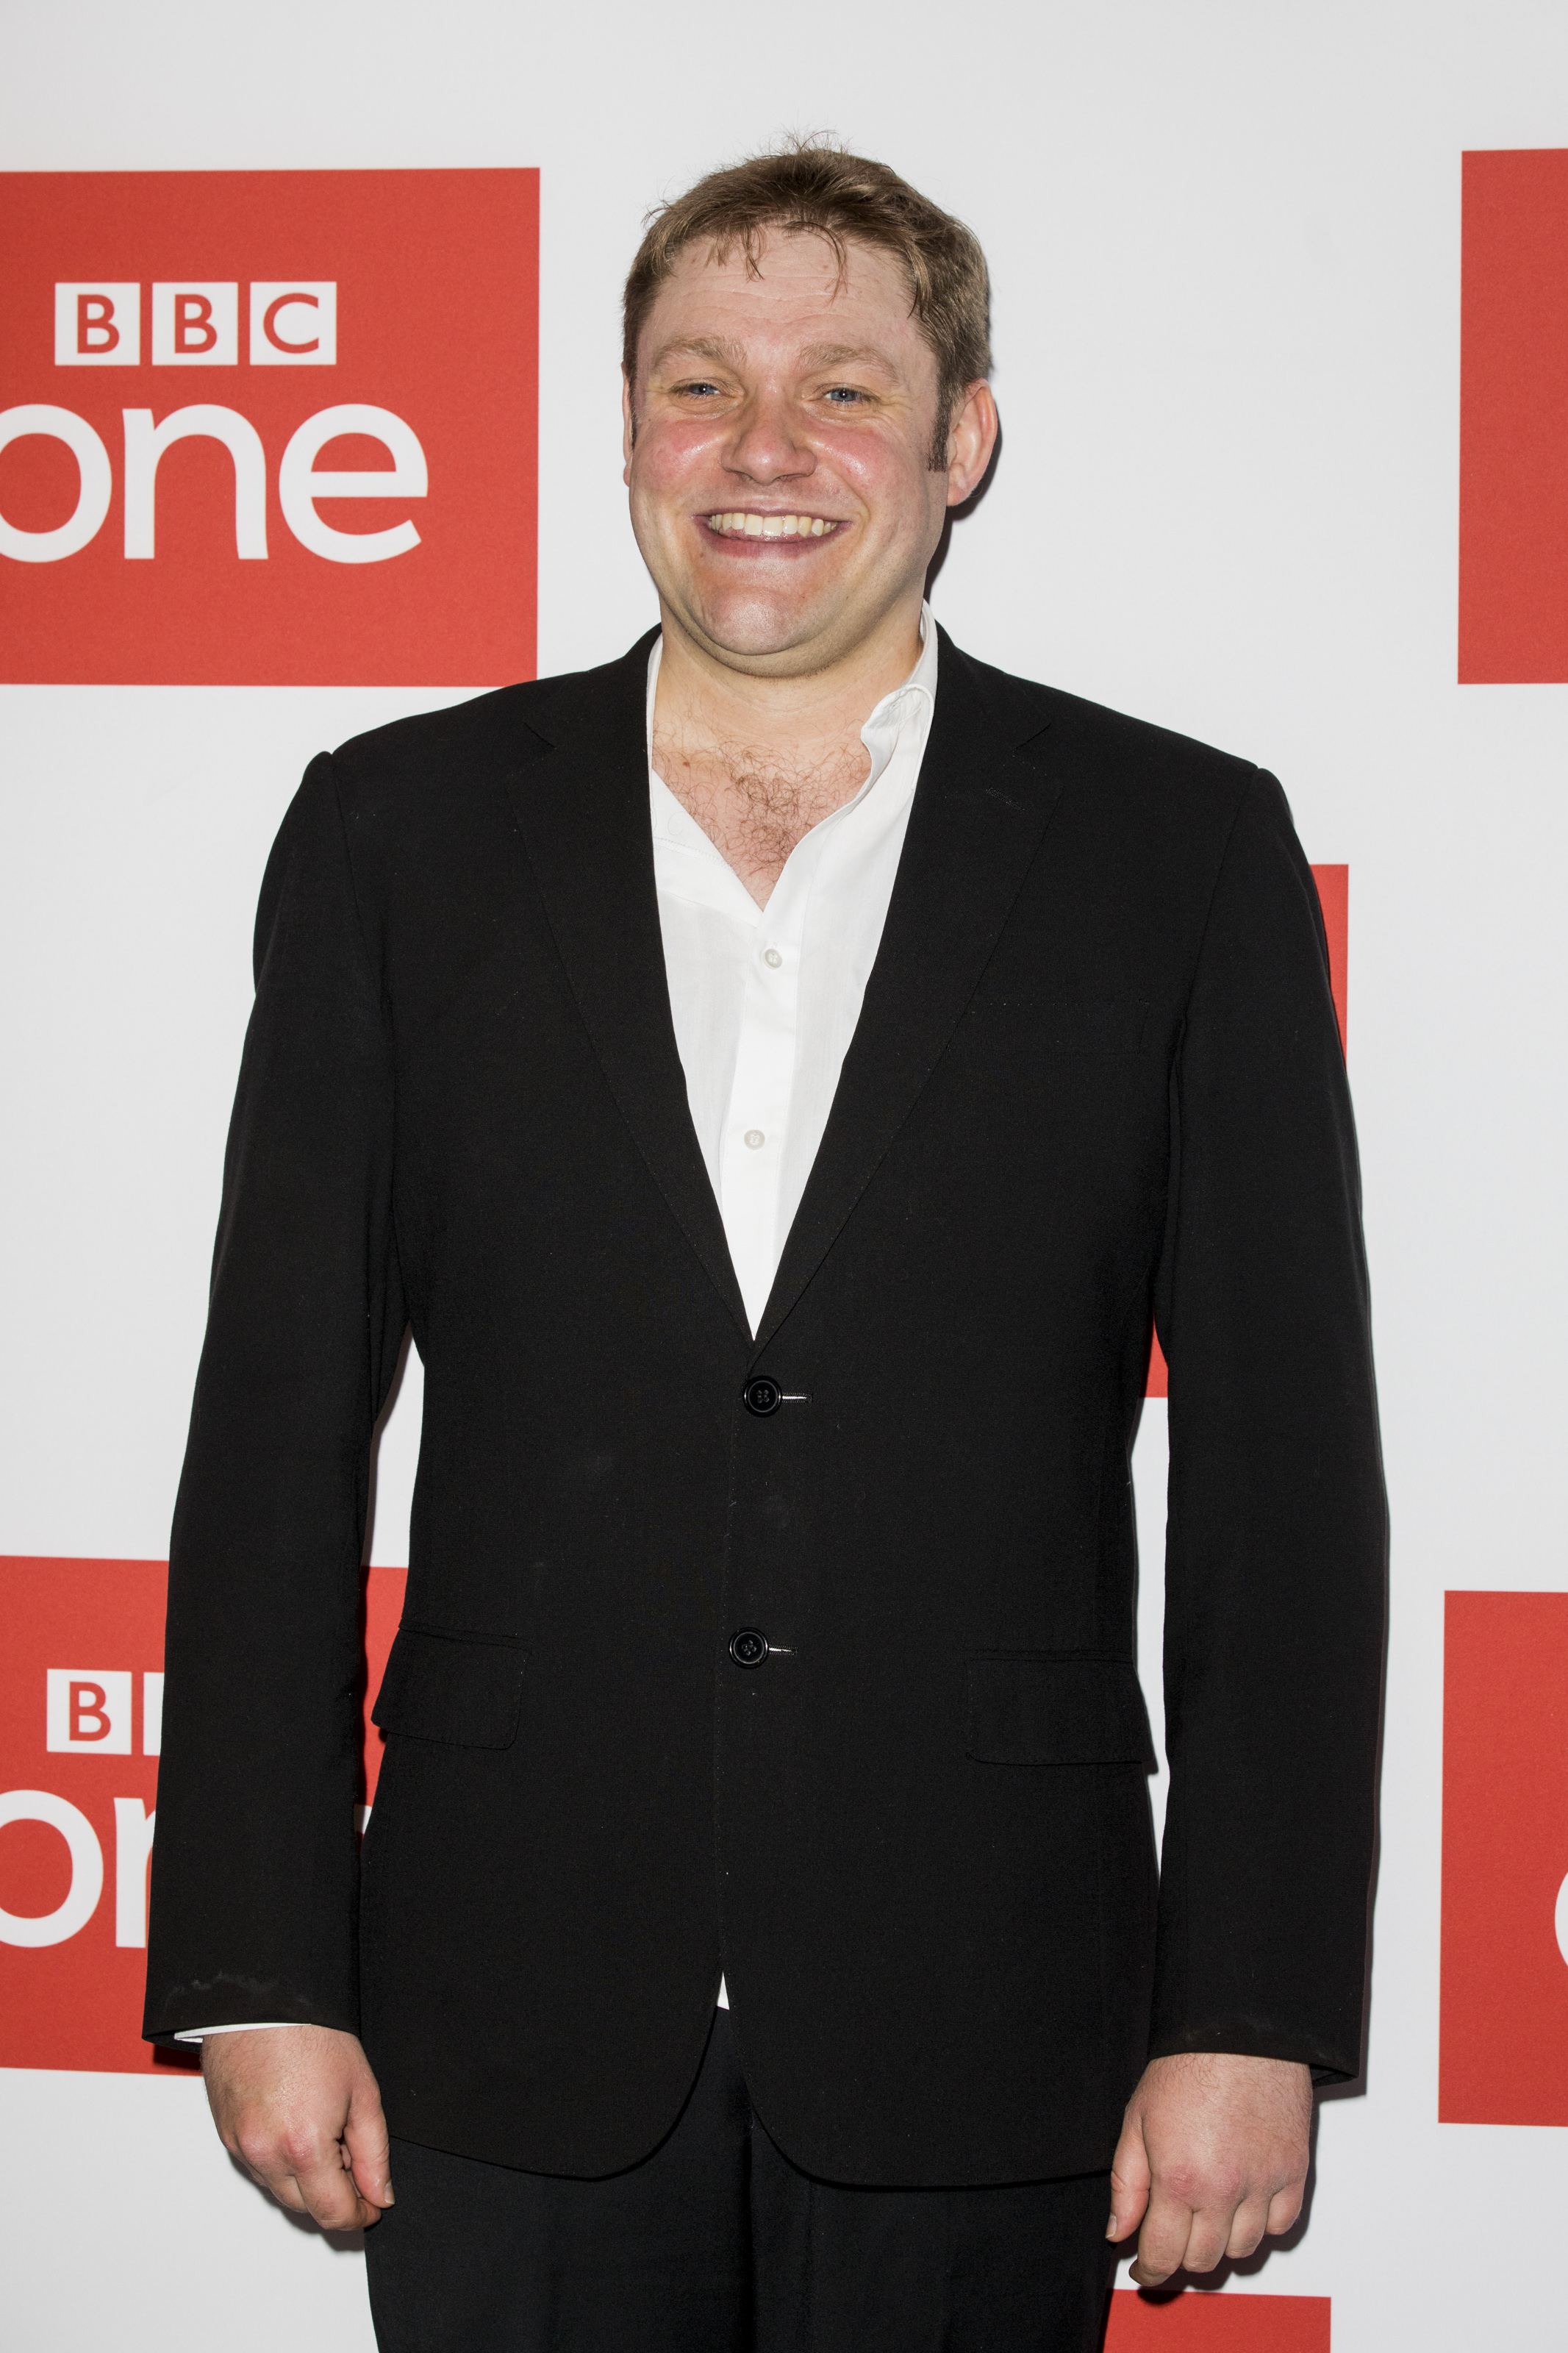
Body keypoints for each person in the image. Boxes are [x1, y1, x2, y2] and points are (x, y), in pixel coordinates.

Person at [145, 140, 1386, 2352]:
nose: (763, 451)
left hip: (993, 1999)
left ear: (961, 436)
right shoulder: (399, 836)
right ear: (629, 431)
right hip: (491, 2016)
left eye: (842, 387)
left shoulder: (1178, 853)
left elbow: (1288, 1479)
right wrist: (252, 1969)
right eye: (699, 383)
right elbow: (270, 1438)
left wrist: (1257, 2008)